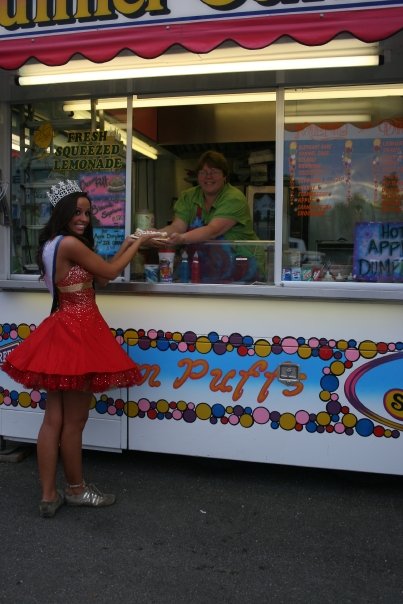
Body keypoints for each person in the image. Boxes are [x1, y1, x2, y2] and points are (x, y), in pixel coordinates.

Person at [1, 180, 155, 518]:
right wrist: (141, 240)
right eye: (77, 211)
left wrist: (128, 242)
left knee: (52, 419)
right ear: (63, 212)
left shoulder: (53, 244)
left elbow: (98, 277)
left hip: (61, 329)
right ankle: (75, 490)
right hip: (79, 333)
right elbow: (112, 273)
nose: (84, 217)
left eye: (87, 212)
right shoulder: (70, 243)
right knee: (75, 420)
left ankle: (48, 495)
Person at [153, 150, 264, 283]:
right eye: (203, 172)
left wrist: (181, 238)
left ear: (224, 176)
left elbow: (213, 230)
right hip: (205, 272)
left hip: (243, 271)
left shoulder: (234, 198)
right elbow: (177, 226)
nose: (208, 177)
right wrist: (155, 235)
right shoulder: (188, 196)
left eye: (214, 172)